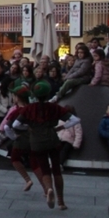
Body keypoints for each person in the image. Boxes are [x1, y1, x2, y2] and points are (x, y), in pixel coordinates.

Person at [11, 81, 80, 210]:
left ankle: (48, 189)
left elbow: (15, 125)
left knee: (44, 168)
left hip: (36, 142)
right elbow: (75, 120)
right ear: (48, 93)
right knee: (56, 170)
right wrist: (61, 127)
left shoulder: (28, 109)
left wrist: (28, 127)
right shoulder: (54, 107)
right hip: (53, 139)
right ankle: (61, 201)